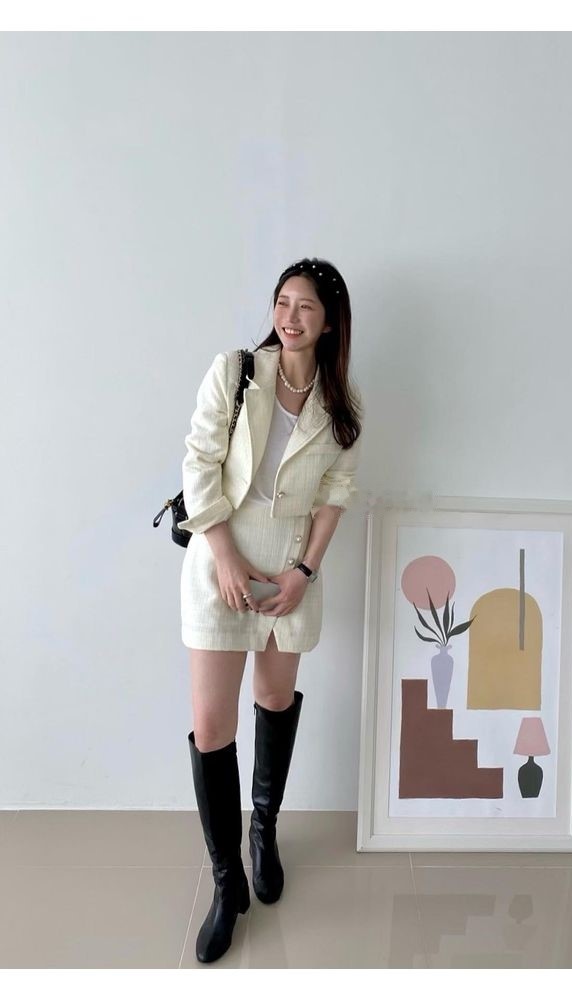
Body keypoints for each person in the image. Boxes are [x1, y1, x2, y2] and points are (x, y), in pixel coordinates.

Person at [177, 257, 364, 964]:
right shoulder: (235, 372)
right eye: (283, 302)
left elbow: (335, 495)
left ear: (329, 322)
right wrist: (224, 555)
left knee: (276, 698)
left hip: (288, 573)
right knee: (211, 726)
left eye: (305, 306)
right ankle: (227, 883)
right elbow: (198, 463)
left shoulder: (342, 403)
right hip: (220, 562)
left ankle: (263, 830)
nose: (290, 317)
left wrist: (305, 572)